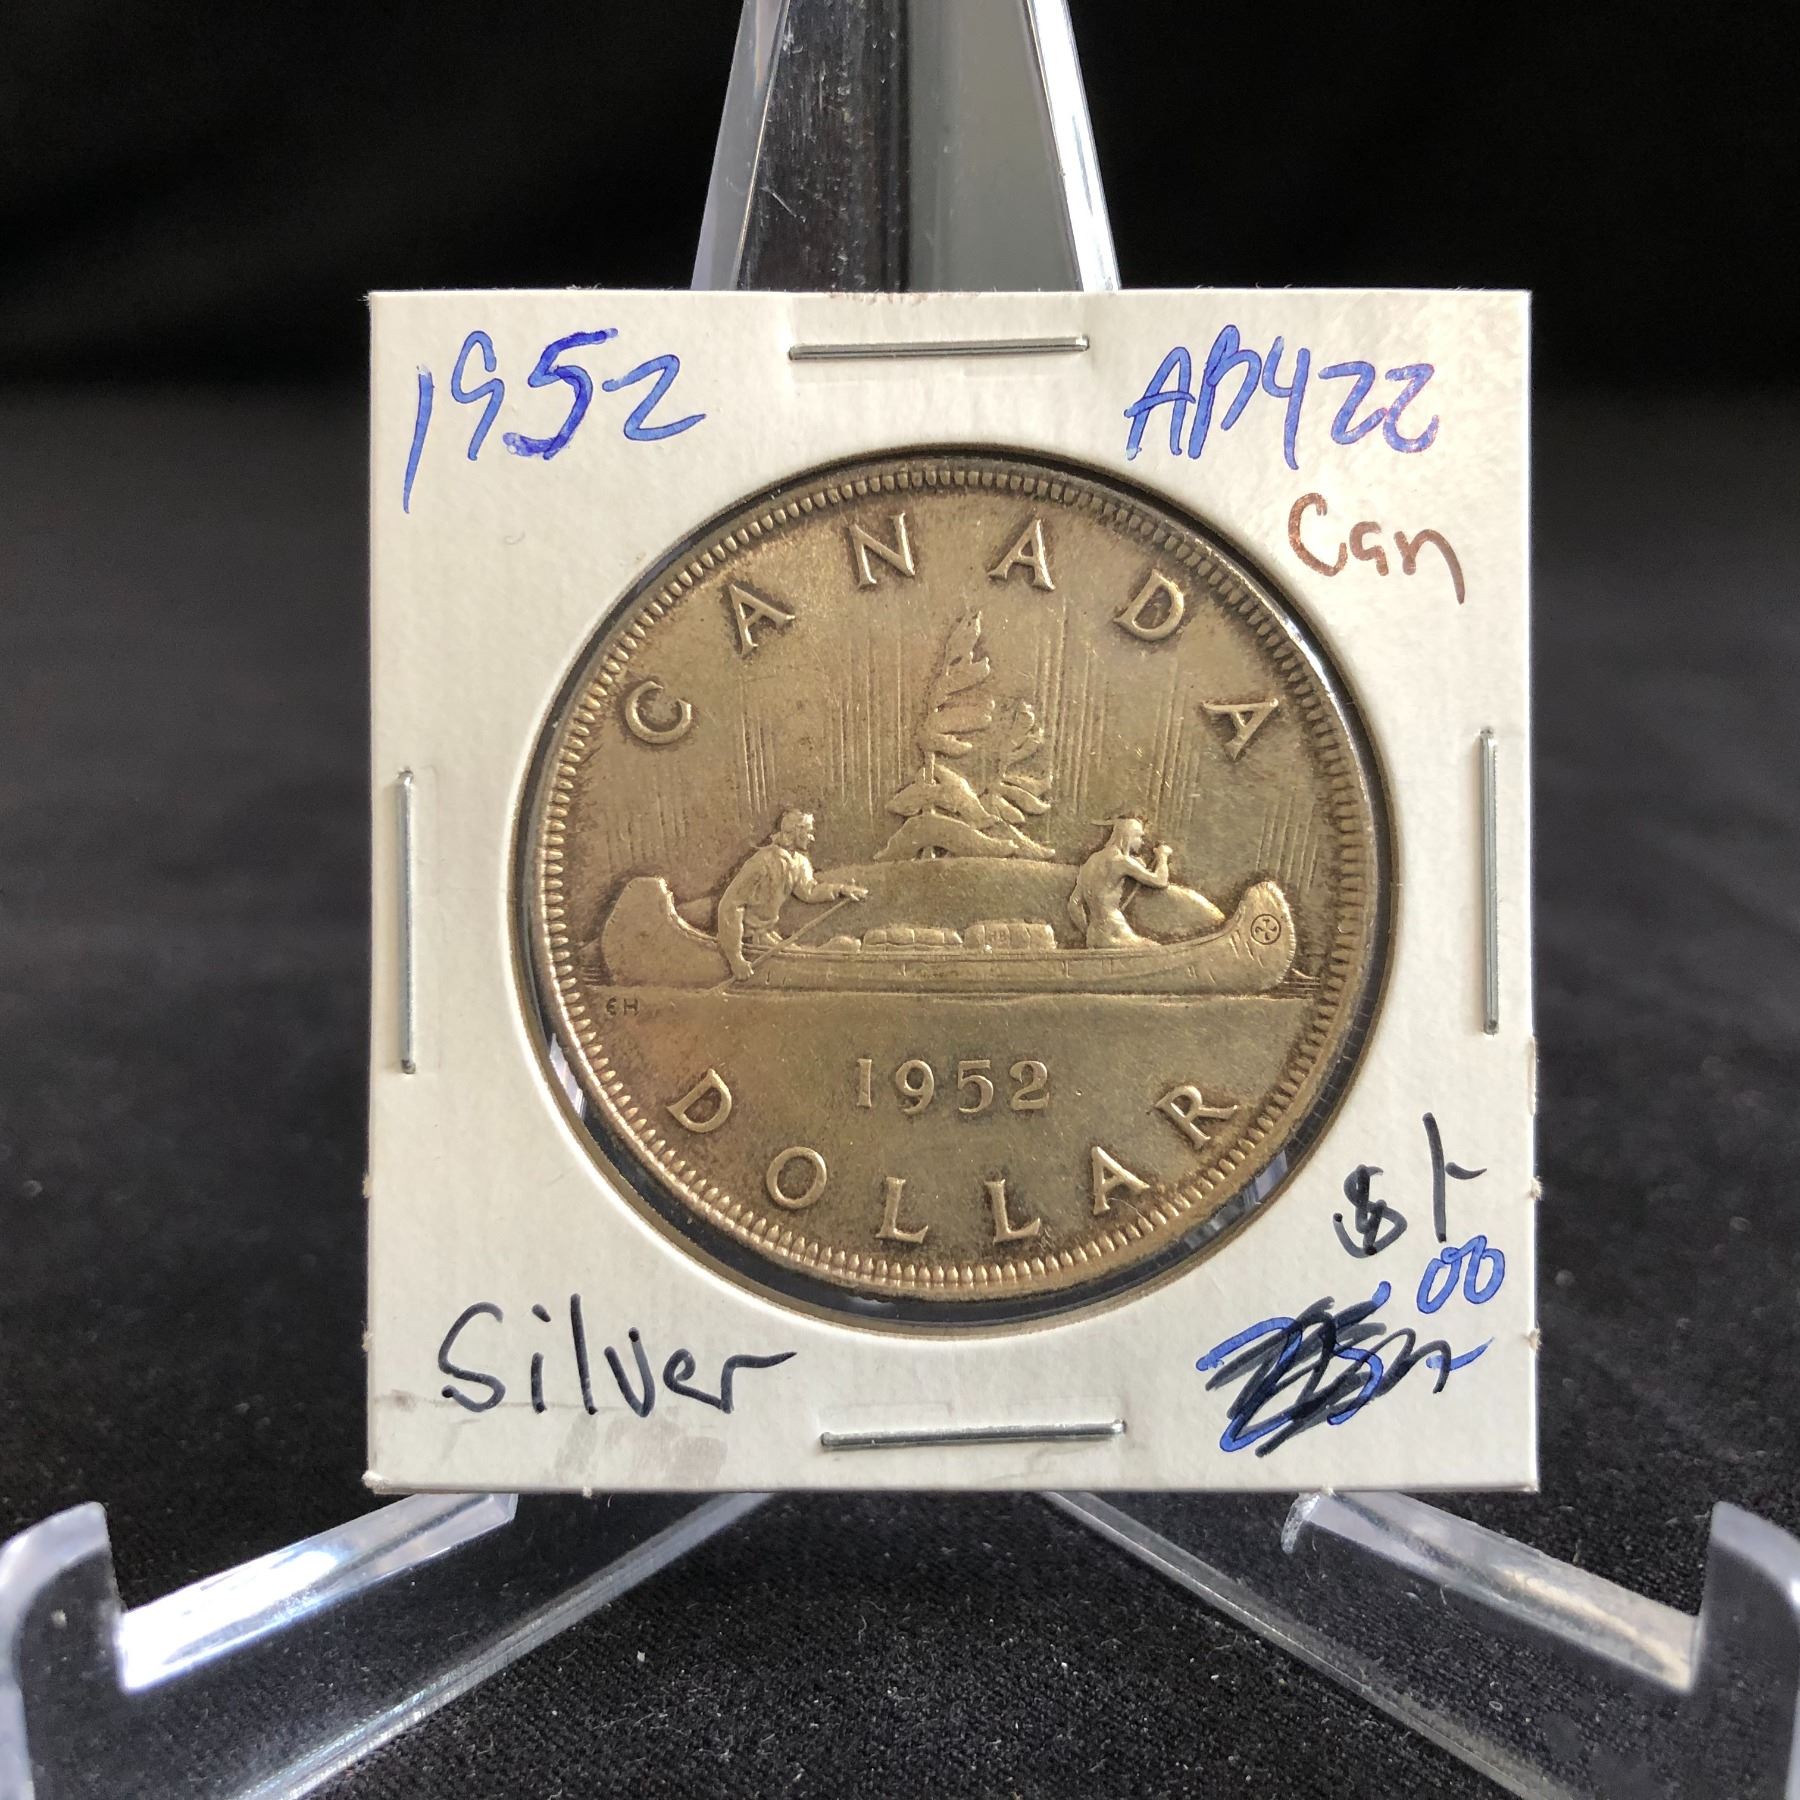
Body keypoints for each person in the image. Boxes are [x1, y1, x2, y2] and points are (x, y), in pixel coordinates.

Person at [717, 809, 867, 980]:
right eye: (808, 832)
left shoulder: (799, 863)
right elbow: (731, 904)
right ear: (795, 831)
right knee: (799, 961)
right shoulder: (762, 862)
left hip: (767, 934)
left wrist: (840, 890)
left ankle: (829, 952)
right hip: (748, 938)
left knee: (797, 955)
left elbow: (809, 891)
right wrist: (736, 958)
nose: (812, 838)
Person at [1068, 816, 1171, 948]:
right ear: (1128, 836)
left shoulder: (1092, 860)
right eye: (1139, 837)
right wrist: (1162, 856)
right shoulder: (1121, 861)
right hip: (1115, 932)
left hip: (1094, 934)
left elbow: (1074, 904)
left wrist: (1089, 933)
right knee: (1156, 949)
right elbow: (1160, 881)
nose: (1142, 842)